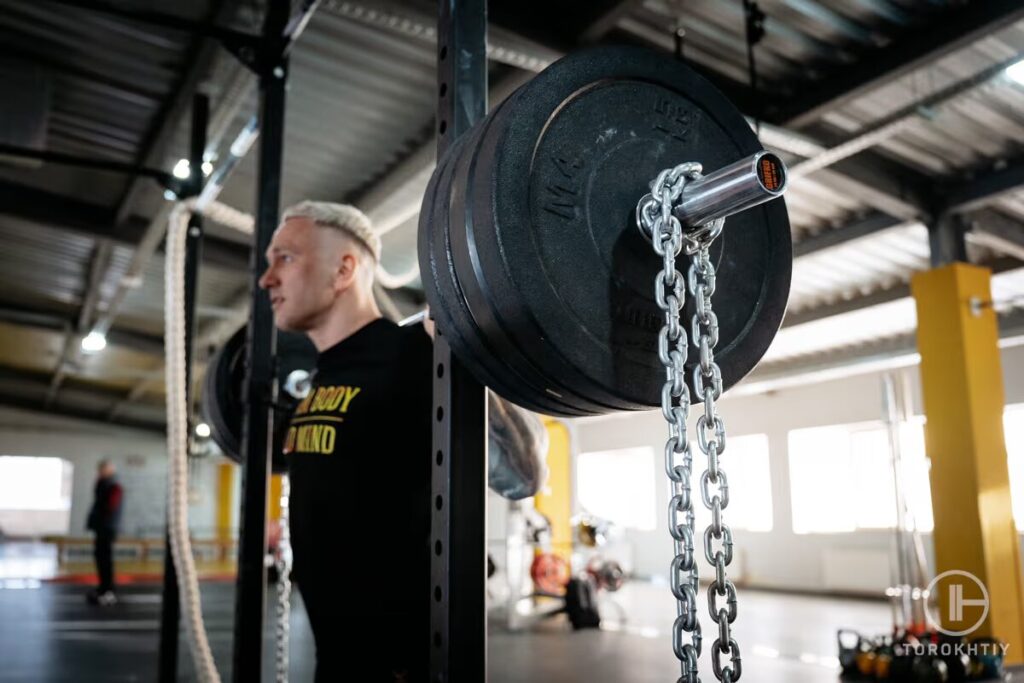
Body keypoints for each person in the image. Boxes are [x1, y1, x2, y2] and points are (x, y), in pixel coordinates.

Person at [259, 201, 433, 682]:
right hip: (335, 662)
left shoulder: (417, 356)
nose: (266, 279)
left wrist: (461, 345)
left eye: (285, 258)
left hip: (401, 667)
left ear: (344, 269)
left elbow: (525, 474)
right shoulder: (321, 375)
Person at [86, 459, 123, 606]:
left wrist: (103, 522)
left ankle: (108, 591)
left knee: (105, 561)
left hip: (106, 528)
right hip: (102, 528)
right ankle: (103, 588)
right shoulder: (104, 485)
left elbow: (109, 507)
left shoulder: (113, 487)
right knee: (101, 559)